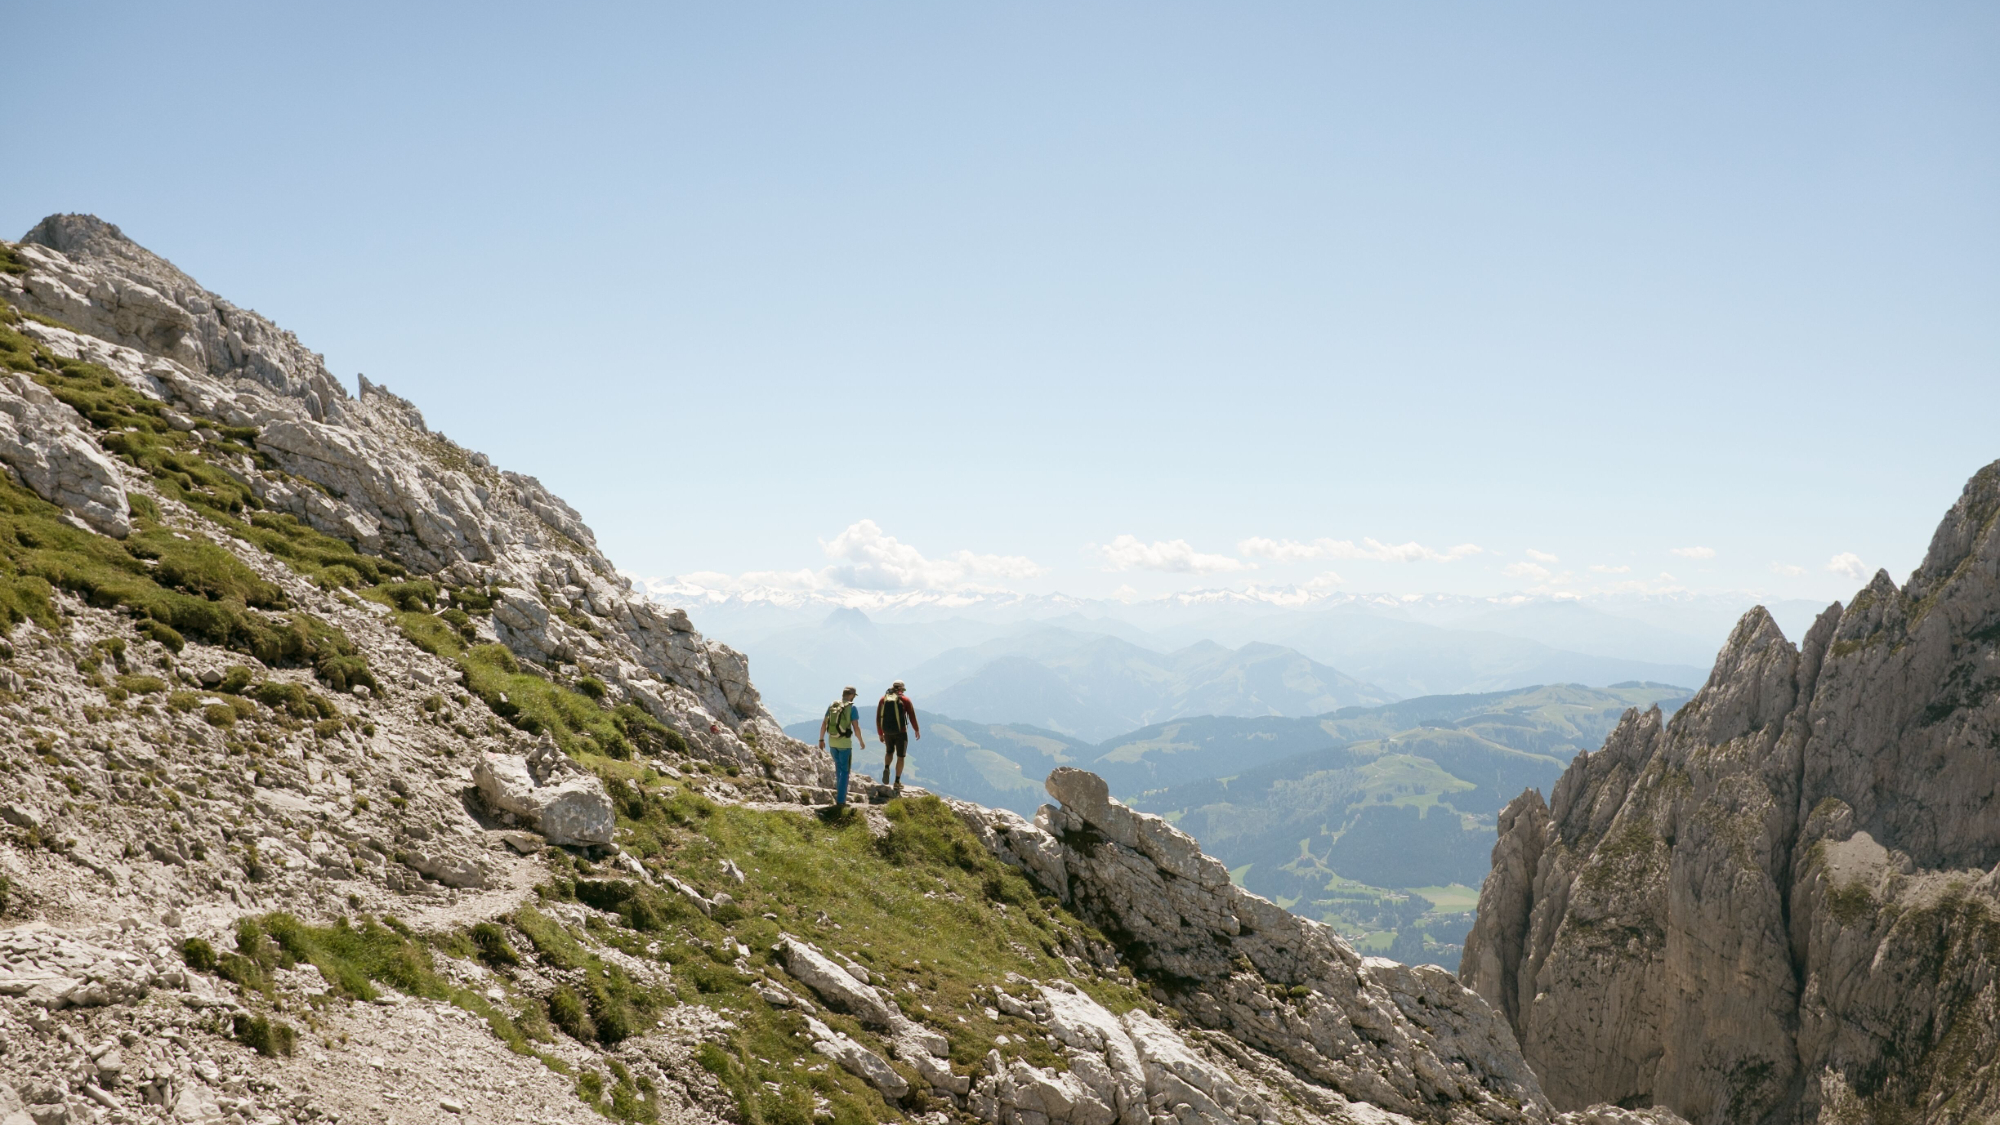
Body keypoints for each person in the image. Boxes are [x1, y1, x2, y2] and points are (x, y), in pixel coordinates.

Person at [817, 686, 865, 809]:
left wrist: (821, 739)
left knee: (838, 769)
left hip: (832, 742)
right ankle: (841, 801)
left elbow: (824, 723)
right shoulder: (852, 707)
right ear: (851, 695)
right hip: (844, 744)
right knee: (845, 771)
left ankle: (839, 795)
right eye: (854, 695)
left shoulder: (833, 705)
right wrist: (861, 741)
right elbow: (856, 727)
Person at [876, 680, 921, 789]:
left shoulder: (883, 699)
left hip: (887, 732)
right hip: (901, 732)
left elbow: (878, 718)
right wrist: (916, 729)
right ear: (902, 689)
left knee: (889, 752)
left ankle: (886, 767)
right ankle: (897, 782)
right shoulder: (905, 700)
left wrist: (880, 733)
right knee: (900, 757)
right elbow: (912, 716)